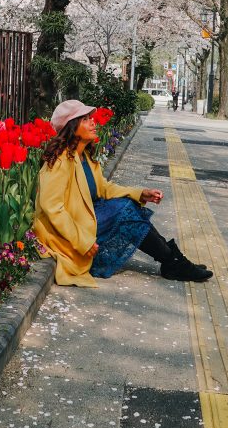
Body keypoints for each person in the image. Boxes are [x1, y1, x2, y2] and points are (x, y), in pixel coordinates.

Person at [33, 99, 213, 287]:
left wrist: (140, 193)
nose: (93, 122)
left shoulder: (83, 156)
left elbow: (103, 188)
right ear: (72, 127)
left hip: (89, 218)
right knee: (125, 209)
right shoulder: (60, 161)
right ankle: (173, 261)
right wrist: (82, 241)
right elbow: (52, 208)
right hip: (68, 231)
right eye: (86, 119)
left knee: (130, 206)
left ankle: (173, 260)